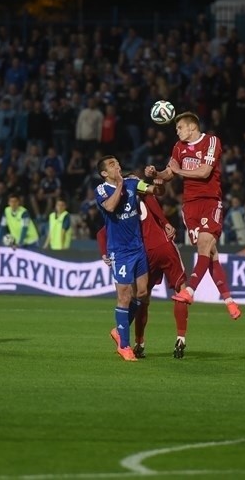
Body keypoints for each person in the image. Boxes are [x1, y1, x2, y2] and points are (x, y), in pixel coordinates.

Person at [145, 110, 242, 320]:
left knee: (204, 245)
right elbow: (169, 173)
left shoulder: (211, 141)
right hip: (189, 206)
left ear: (191, 127)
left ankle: (189, 291)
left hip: (210, 201)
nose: (177, 131)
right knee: (211, 253)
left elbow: (204, 172)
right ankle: (229, 301)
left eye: (179, 127)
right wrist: (156, 174)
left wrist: (178, 171)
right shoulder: (178, 148)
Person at [97, 176, 190, 359]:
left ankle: (138, 342)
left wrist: (103, 252)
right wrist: (166, 223)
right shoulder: (144, 196)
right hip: (162, 246)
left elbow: (102, 232)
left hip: (142, 252)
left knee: (142, 297)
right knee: (181, 289)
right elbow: (155, 202)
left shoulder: (123, 203)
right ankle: (181, 337)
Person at [95, 155, 163, 362]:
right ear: (104, 173)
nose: (118, 166)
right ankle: (124, 346)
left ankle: (118, 330)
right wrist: (120, 185)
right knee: (124, 297)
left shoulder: (133, 182)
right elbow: (110, 207)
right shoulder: (102, 190)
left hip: (138, 248)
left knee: (143, 294)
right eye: (112, 165)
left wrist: (157, 180)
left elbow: (153, 191)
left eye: (117, 162)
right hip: (120, 251)